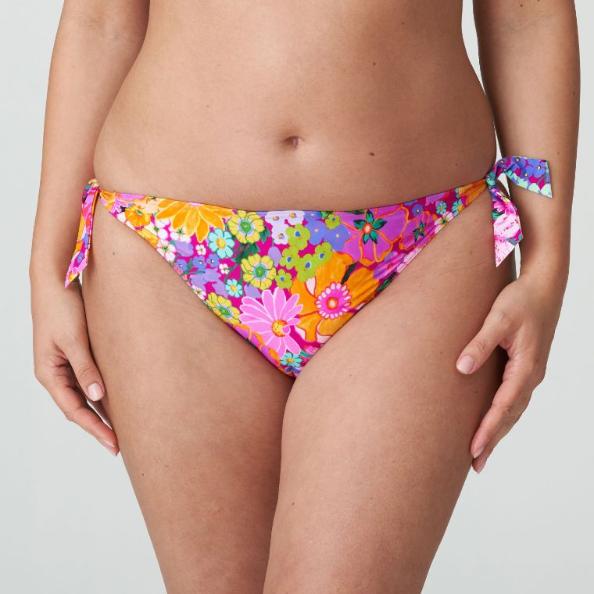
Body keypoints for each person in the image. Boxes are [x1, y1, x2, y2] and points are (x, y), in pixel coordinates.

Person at [29, 1, 580, 592]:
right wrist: (47, 267)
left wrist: (547, 265)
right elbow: (100, 20)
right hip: (162, 244)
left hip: (425, 244)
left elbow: (527, 17)